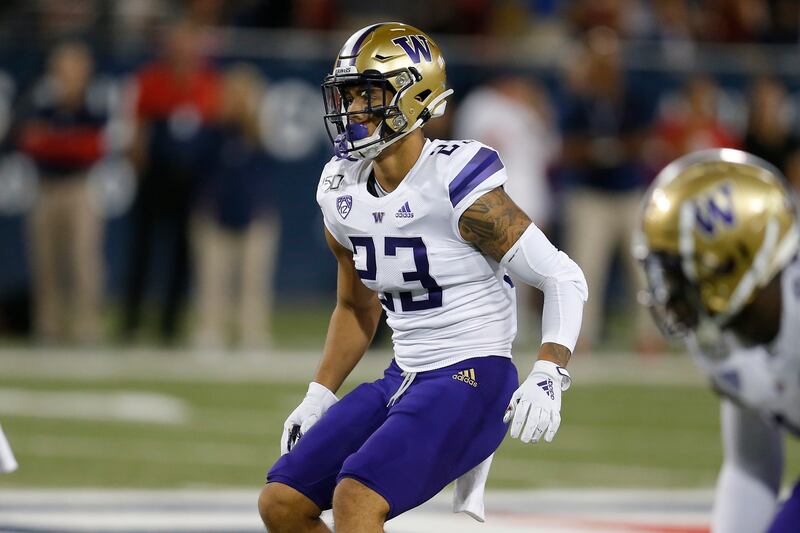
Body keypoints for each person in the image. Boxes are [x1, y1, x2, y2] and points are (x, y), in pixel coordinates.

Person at [258, 22, 587, 532]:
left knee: (356, 498)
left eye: (367, 94)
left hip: (473, 374)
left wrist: (548, 371)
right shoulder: (341, 189)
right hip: (404, 373)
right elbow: (356, 307)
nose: (352, 110)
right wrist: (320, 392)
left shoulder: (455, 182)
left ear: (414, 97)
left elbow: (562, 276)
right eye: (348, 95)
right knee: (281, 503)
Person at [634, 148, 800, 532]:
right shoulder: (736, 330)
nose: (667, 294)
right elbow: (751, 467)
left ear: (730, 261)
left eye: (677, 273)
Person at [17, 41, 107, 345]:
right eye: (64, 70)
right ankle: (48, 326)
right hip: (46, 187)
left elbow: (92, 149)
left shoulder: (93, 107)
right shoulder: (41, 104)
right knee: (46, 261)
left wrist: (55, 142)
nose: (70, 77)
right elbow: (28, 142)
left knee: (84, 260)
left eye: (75, 70)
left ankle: (87, 326)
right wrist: (64, 143)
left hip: (79, 187)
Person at [191, 64, 278, 353]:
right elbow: (198, 164)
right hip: (215, 214)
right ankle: (210, 330)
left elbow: (270, 163)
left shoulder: (260, 132)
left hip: (255, 215)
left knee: (254, 280)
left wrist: (252, 122)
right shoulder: (213, 131)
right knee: (213, 279)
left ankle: (252, 332)